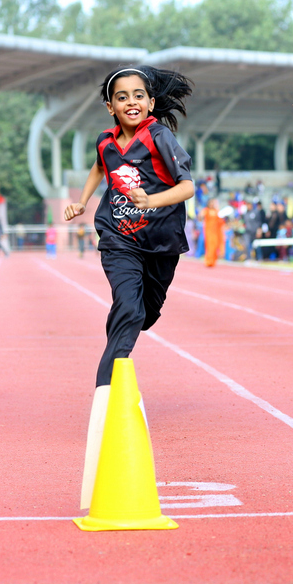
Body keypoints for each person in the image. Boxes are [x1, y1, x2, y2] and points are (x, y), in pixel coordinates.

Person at [64, 64, 194, 508]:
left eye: (139, 95)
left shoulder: (160, 138)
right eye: (122, 97)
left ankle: (124, 326)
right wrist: (82, 201)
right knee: (129, 309)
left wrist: (151, 200)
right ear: (110, 105)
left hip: (161, 244)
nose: (131, 102)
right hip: (118, 238)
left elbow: (188, 187)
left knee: (146, 314)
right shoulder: (105, 142)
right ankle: (104, 396)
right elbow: (100, 170)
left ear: (151, 102)